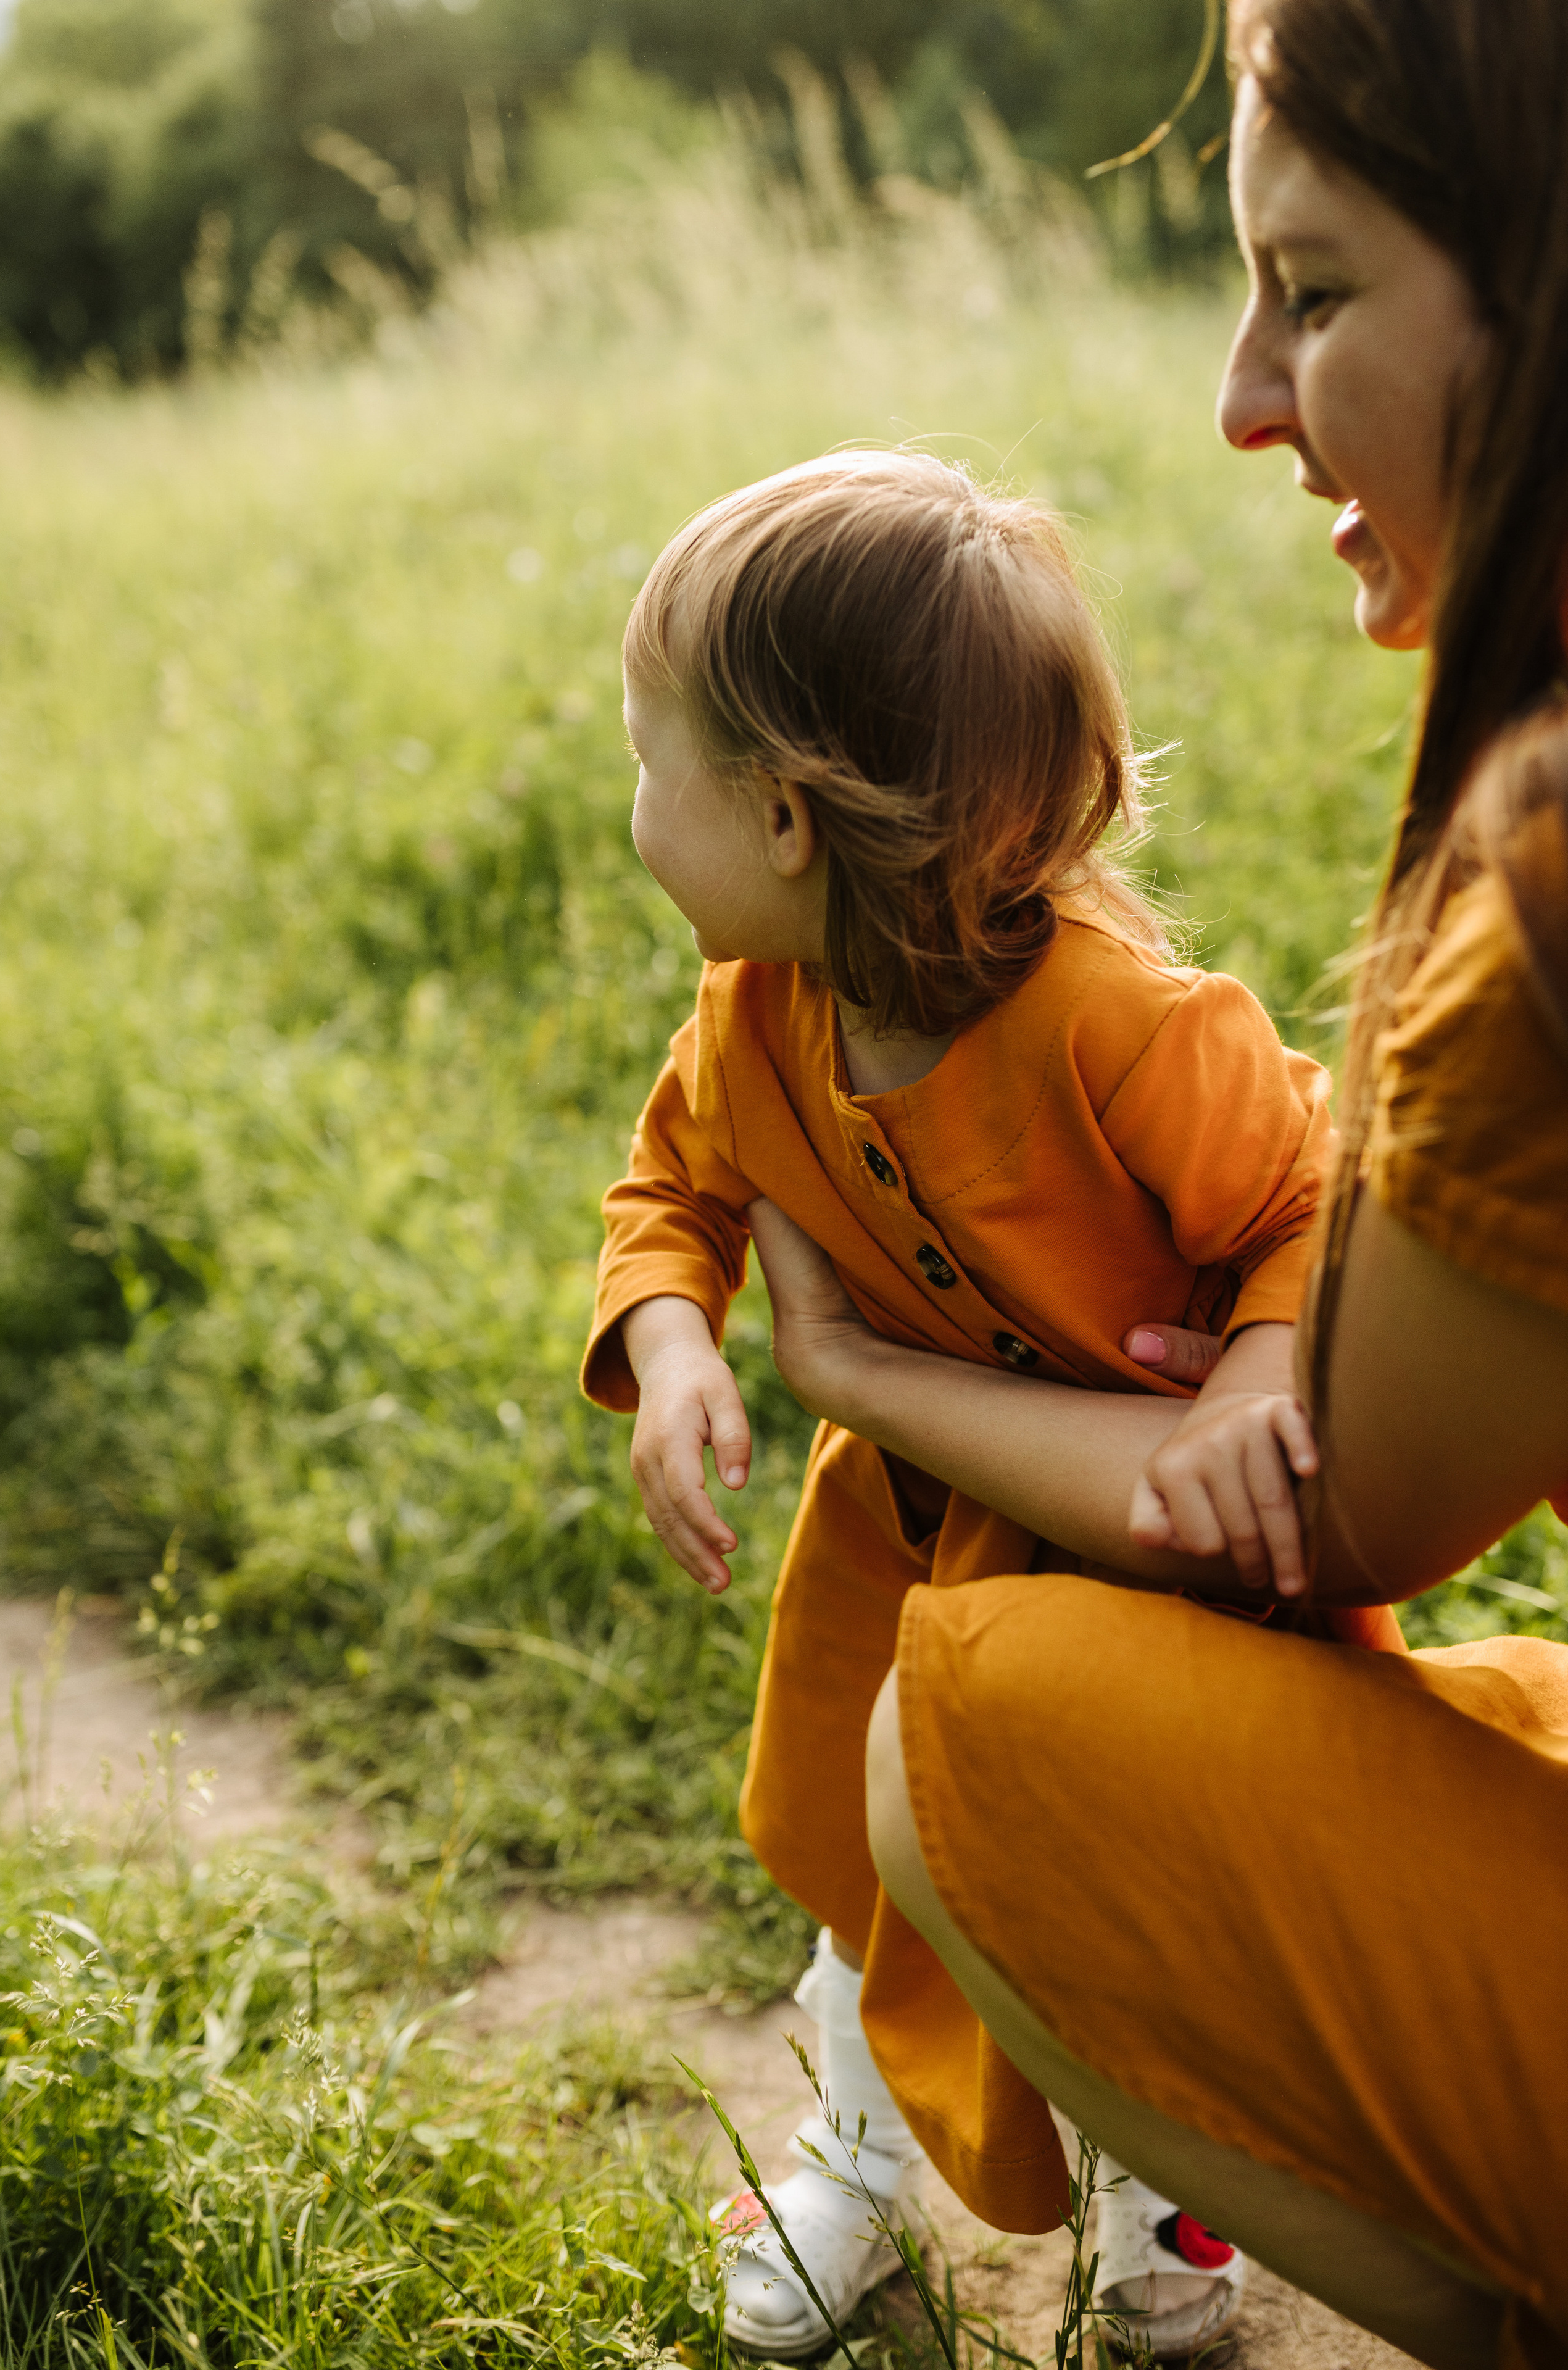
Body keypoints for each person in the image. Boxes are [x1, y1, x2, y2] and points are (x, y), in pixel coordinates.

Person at [742, 3, 1568, 2363]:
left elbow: (1303, 1521)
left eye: (1316, 291)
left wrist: (853, 1373)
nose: (1241, 395)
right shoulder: (763, 1031)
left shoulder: (1534, 879)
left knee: (972, 1730)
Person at [581, 449, 1353, 2355]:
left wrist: (1263, 1370)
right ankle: (851, 2165)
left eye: (647, 764)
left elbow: (1322, 1194)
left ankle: (1163, 2207)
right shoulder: (753, 1020)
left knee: (1135, 1894)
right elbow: (672, 1182)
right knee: (870, 1870)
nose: (630, 811)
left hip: (1135, 1558)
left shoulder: (1117, 1023)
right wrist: (670, 1341)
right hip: (899, 1547)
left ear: (782, 819)